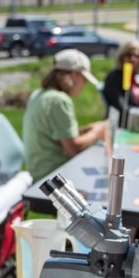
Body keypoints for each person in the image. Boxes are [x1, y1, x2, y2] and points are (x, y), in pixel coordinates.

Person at [22, 49, 108, 180]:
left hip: (40, 172)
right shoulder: (58, 100)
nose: (84, 85)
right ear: (74, 75)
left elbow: (59, 135)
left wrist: (87, 129)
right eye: (84, 79)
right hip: (53, 177)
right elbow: (74, 149)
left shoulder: (39, 94)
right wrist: (97, 131)